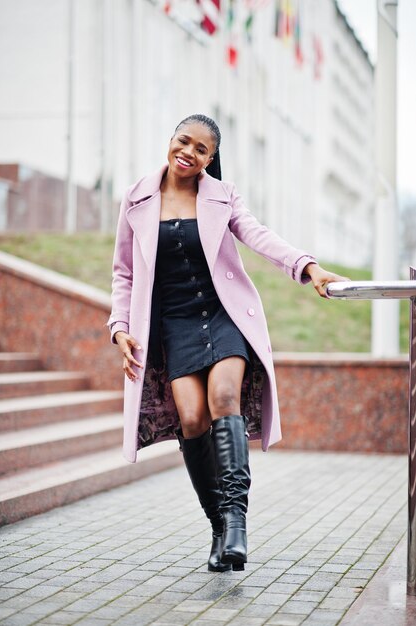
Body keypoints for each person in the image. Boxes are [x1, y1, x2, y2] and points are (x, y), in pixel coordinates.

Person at [106, 113, 349, 573]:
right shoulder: (136, 199)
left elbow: (258, 235)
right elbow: (124, 272)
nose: (189, 153)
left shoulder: (222, 196)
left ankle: (237, 523)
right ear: (170, 140)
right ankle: (217, 525)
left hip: (222, 315)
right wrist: (119, 327)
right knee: (192, 419)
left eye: (201, 149)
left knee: (223, 397)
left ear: (210, 159)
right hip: (174, 324)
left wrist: (307, 266)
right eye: (184, 141)